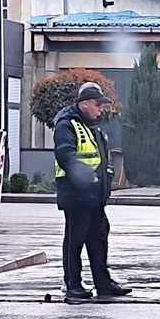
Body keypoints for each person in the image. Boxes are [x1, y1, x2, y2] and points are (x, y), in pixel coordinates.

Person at [54, 82, 131, 303]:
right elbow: (65, 155)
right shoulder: (67, 125)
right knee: (75, 242)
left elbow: (103, 159)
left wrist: (106, 179)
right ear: (85, 103)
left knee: (98, 241)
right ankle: (73, 285)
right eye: (98, 105)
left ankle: (103, 284)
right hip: (77, 197)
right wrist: (87, 176)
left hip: (95, 198)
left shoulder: (92, 127)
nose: (101, 110)